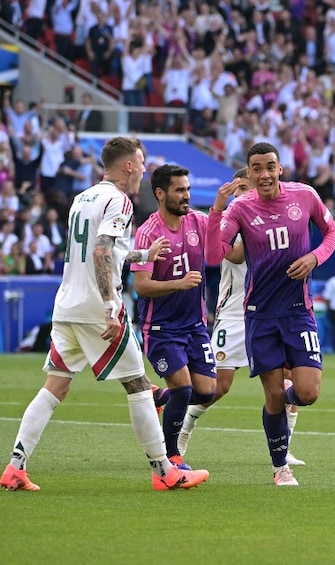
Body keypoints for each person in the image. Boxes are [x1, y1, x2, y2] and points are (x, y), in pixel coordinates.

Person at [0, 136, 208, 492]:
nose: (144, 170)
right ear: (128, 165)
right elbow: (100, 253)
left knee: (55, 387)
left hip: (66, 306)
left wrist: (141, 256)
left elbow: (100, 250)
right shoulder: (119, 200)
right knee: (140, 386)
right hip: (98, 309)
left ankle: (15, 466)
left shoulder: (82, 198)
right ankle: (164, 471)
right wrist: (112, 304)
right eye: (141, 163)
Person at [206, 142, 335, 486]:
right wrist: (217, 211)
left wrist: (314, 258)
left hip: (299, 311)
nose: (264, 174)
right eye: (257, 168)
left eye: (270, 166)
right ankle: (280, 467)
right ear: (249, 173)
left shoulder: (305, 196)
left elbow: (333, 233)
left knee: (308, 392)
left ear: (280, 168)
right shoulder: (239, 209)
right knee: (273, 396)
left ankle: (284, 405)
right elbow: (213, 256)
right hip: (261, 314)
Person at [177, 168, 305, 466]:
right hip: (234, 315)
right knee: (218, 386)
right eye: (243, 188)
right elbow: (234, 254)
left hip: (271, 312)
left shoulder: (273, 213)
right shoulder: (232, 218)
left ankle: (284, 449)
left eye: (252, 188)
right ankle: (183, 430)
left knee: (291, 379)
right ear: (234, 191)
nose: (250, 193)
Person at [131, 164, 217, 472]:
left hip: (194, 326)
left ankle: (160, 397)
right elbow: (141, 286)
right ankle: (171, 458)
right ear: (160, 193)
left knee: (206, 391)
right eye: (179, 190)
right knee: (184, 390)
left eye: (188, 189)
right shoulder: (148, 233)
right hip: (161, 328)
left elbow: (224, 237)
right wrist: (179, 284)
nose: (186, 196)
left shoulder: (198, 221)